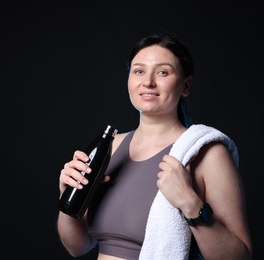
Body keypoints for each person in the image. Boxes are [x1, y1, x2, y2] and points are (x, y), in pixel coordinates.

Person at [57, 31, 253, 260]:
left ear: (186, 86)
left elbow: (239, 257)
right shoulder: (109, 148)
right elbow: (77, 247)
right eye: (139, 71)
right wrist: (67, 199)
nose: (148, 82)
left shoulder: (207, 154)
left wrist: (190, 204)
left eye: (162, 72)